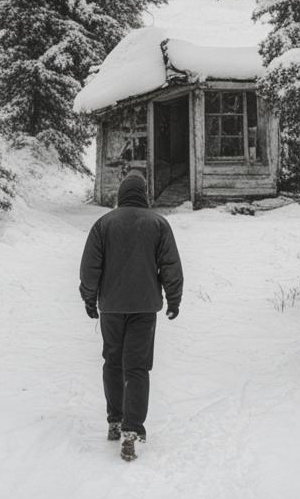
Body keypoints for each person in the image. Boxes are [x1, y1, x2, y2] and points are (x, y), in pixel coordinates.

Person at [79, 170, 183, 462]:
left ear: (121, 195)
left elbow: (90, 269)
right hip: (144, 308)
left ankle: (115, 419)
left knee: (113, 361)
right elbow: (170, 266)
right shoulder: (158, 224)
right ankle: (132, 429)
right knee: (136, 366)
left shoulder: (103, 224)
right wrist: (173, 299)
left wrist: (89, 298)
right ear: (144, 195)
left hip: (111, 307)